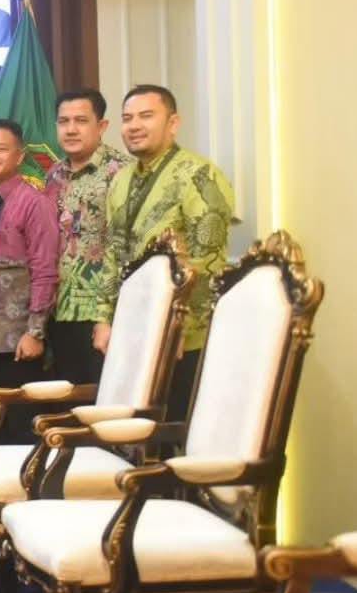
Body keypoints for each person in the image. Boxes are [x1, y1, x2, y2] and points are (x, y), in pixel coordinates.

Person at [96, 84, 236, 421]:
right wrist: (104, 318)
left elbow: (209, 262)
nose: (134, 125)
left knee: (177, 429)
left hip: (184, 340)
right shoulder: (121, 180)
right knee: (133, 431)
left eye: (146, 116)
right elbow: (113, 253)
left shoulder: (198, 175)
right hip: (133, 331)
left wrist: (178, 329)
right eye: (127, 118)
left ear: (173, 123)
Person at [0, 119, 59, 445]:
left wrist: (35, 332)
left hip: (18, 341)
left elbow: (45, 269)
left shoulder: (34, 202)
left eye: (0, 148)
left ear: (20, 156)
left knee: (21, 430)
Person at [44, 89, 129, 386]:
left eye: (81, 121)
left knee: (102, 400)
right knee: (66, 400)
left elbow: (124, 248)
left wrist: (108, 318)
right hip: (60, 311)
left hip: (102, 312)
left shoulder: (121, 172)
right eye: (63, 121)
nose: (71, 129)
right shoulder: (53, 175)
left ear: (101, 126)